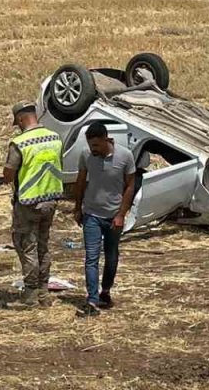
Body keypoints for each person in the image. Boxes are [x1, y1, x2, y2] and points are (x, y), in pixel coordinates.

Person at [1, 102, 65, 308]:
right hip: (51, 199)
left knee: (26, 246)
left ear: (20, 120)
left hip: (28, 202)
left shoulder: (20, 143)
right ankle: (44, 292)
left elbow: (9, 173)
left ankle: (30, 294)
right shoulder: (55, 138)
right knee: (43, 246)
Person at [72, 122, 138, 317]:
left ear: (105, 139)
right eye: (90, 145)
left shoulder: (125, 156)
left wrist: (121, 214)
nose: (93, 149)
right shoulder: (86, 155)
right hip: (91, 214)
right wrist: (77, 207)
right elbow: (81, 181)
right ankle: (92, 299)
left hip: (113, 217)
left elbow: (130, 187)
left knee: (111, 256)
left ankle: (106, 290)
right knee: (91, 258)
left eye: (96, 145)